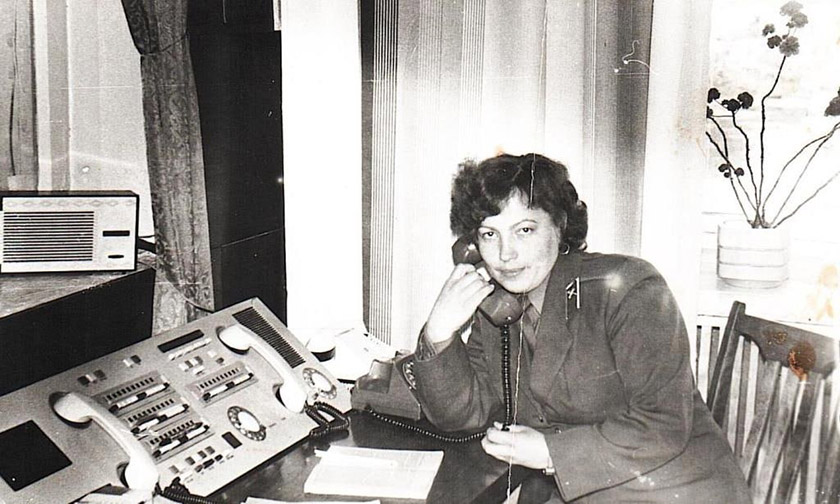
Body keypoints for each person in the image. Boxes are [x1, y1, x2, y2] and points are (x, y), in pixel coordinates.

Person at [411, 153, 750, 503]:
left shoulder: (628, 288)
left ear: (559, 226)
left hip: (672, 489)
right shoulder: (498, 308)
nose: (505, 254)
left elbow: (663, 423)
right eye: (489, 234)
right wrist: (439, 333)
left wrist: (549, 453)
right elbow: (461, 416)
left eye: (524, 230)